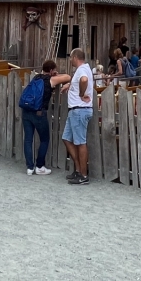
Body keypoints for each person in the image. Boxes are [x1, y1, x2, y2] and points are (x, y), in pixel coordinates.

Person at [52, 48, 94, 185]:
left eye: (71, 57)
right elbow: (80, 80)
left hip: (79, 110)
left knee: (80, 143)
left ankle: (83, 175)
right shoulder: (85, 68)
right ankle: (78, 169)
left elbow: (84, 80)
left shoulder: (82, 70)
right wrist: (70, 84)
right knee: (66, 138)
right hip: (76, 111)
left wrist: (81, 94)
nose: (70, 60)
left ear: (75, 57)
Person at [23, 60, 58, 175]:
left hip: (27, 111)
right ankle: (39, 166)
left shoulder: (36, 78)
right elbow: (67, 77)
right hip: (39, 113)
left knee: (28, 139)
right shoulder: (50, 80)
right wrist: (56, 75)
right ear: (52, 70)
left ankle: (29, 167)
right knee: (44, 139)